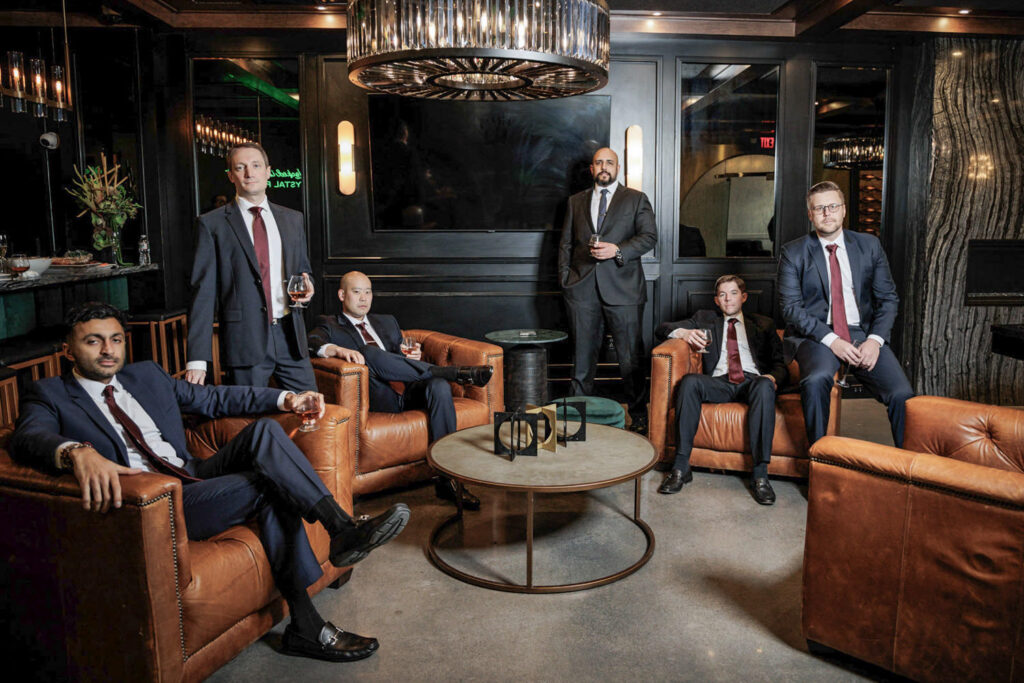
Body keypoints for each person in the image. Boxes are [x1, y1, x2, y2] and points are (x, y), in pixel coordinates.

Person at [12, 302, 409, 663]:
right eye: (93, 341)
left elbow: (215, 399)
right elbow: (29, 436)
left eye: (115, 339)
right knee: (272, 488)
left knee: (265, 436)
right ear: (68, 350)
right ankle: (310, 618)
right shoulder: (50, 394)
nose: (107, 350)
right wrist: (74, 452)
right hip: (158, 500)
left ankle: (339, 527)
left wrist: (287, 400)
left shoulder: (145, 375)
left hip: (194, 473)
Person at [307, 271, 493, 509]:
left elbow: (400, 361)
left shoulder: (386, 321)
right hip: (379, 396)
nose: (364, 298)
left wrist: (414, 357)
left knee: (437, 386)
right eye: (356, 292)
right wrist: (335, 350)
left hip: (408, 389)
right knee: (369, 353)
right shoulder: (329, 325)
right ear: (342, 295)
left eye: (368, 291)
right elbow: (310, 342)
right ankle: (455, 373)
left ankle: (447, 480)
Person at [778, 180, 914, 447]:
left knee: (902, 394)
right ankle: (820, 460)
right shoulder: (793, 252)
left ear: (843, 211)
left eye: (832, 206)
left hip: (862, 333)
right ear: (810, 214)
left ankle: (909, 469)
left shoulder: (869, 246)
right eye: (819, 209)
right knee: (816, 381)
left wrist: (875, 340)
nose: (827, 213)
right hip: (816, 335)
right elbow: (791, 308)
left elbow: (888, 299)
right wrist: (832, 341)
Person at [186, 142, 316, 392]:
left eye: (256, 166)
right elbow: (202, 293)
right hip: (244, 341)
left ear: (268, 172)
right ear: (231, 176)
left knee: (311, 415)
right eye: (240, 167)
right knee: (249, 421)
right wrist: (197, 359)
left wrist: (308, 287)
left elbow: (303, 270)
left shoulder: (293, 219)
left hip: (291, 338)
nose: (249, 173)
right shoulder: (211, 224)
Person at [654, 275, 787, 504]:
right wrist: (683, 333)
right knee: (689, 382)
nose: (728, 299)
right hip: (719, 381)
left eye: (733, 293)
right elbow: (662, 328)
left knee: (765, 386)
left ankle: (760, 475)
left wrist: (772, 377)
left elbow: (780, 364)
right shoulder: (704, 319)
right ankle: (680, 468)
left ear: (743, 297)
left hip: (753, 381)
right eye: (722, 295)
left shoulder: (764, 324)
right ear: (716, 300)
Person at [558, 147, 658, 433]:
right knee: (581, 359)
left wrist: (618, 250)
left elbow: (650, 237)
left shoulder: (636, 199)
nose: (604, 167)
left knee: (630, 359)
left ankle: (639, 418)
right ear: (592, 169)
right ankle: (576, 422)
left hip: (624, 291)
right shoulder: (575, 202)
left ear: (617, 168)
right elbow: (565, 245)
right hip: (581, 290)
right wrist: (567, 281)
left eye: (609, 162)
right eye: (599, 162)